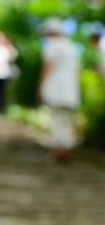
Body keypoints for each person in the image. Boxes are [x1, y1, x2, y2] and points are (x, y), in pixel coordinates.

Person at [39, 17, 81, 162]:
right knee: (66, 120)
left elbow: (48, 67)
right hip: (70, 88)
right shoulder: (70, 46)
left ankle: (57, 150)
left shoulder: (52, 46)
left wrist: (41, 86)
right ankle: (66, 150)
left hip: (56, 87)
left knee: (56, 119)